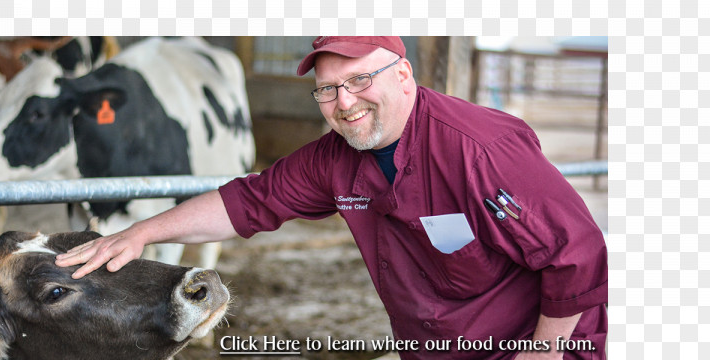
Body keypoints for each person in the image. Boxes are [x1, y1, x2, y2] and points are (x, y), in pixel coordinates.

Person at [56, 36, 607, 360]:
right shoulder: (334, 156)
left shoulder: (480, 150)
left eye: (361, 81)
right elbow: (248, 201)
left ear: (404, 76)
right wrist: (141, 232)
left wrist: (546, 352)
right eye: (327, 88)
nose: (345, 103)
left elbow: (577, 255)